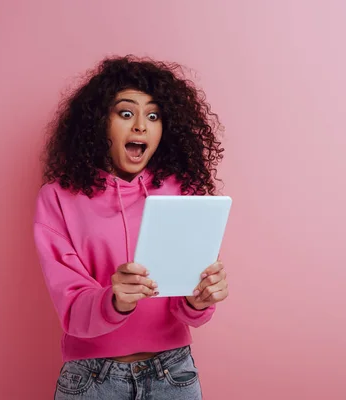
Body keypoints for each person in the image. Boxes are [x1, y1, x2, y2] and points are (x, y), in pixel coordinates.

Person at [33, 55, 229, 399]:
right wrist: (114, 300)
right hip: (92, 379)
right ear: (99, 123)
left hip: (174, 375)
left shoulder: (182, 190)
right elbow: (71, 307)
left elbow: (189, 309)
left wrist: (200, 299)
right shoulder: (58, 197)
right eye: (126, 113)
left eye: (153, 116)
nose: (141, 126)